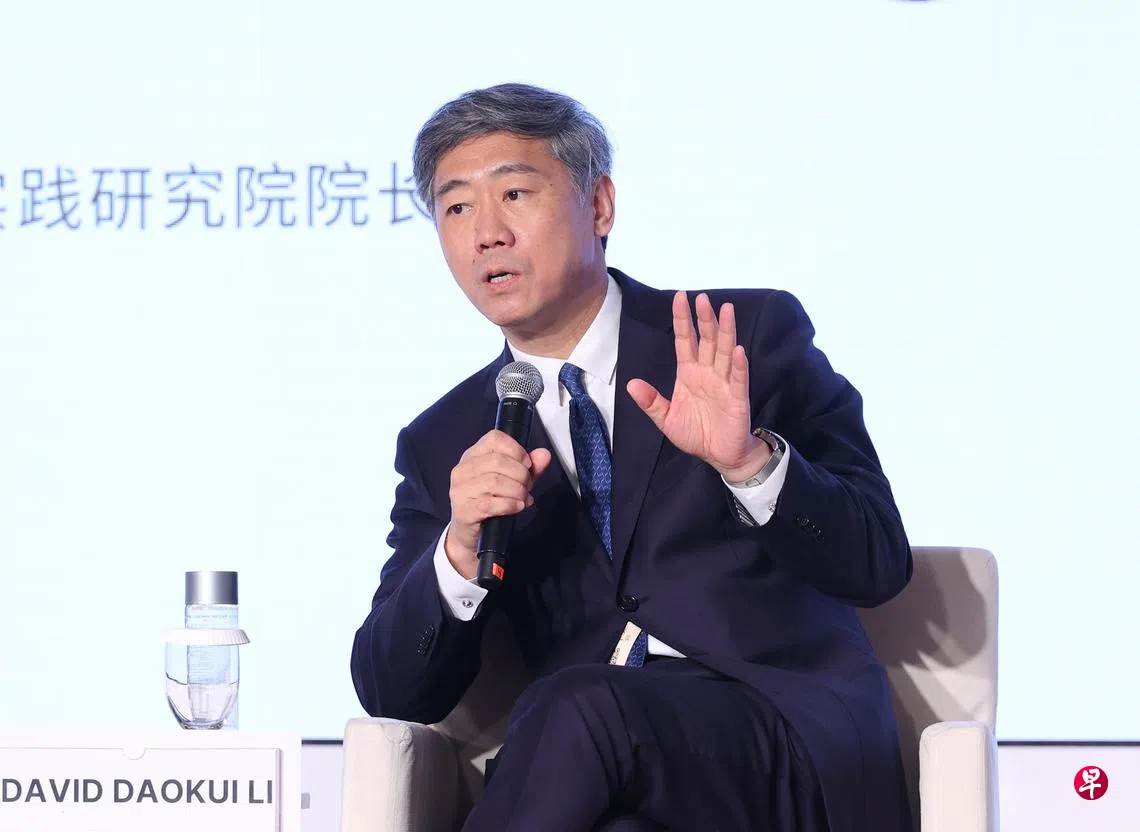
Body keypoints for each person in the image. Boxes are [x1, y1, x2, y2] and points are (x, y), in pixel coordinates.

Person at [351, 83, 914, 832]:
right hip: (595, 775)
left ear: (600, 205)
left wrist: (749, 463)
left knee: (579, 706)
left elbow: (877, 564)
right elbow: (393, 691)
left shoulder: (738, 337)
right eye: (456, 208)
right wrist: (457, 551)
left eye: (514, 194)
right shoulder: (445, 439)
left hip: (782, 743)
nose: (486, 233)